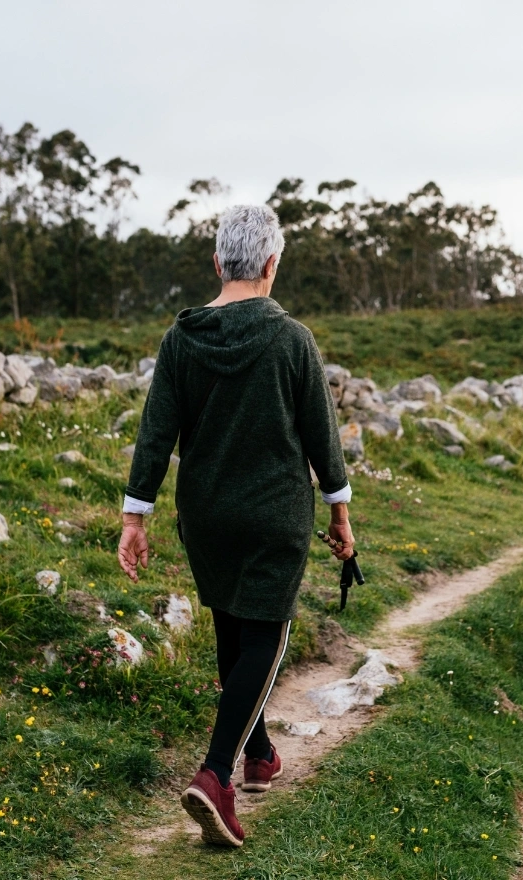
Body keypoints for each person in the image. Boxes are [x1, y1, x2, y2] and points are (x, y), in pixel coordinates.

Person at [116, 204, 354, 847]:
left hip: (206, 514)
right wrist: (339, 513)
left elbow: (156, 431)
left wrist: (135, 516)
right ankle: (216, 774)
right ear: (271, 264)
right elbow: (321, 436)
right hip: (274, 514)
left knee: (231, 624)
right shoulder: (293, 339)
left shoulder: (182, 338)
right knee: (264, 638)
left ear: (218, 262)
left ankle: (259, 755)